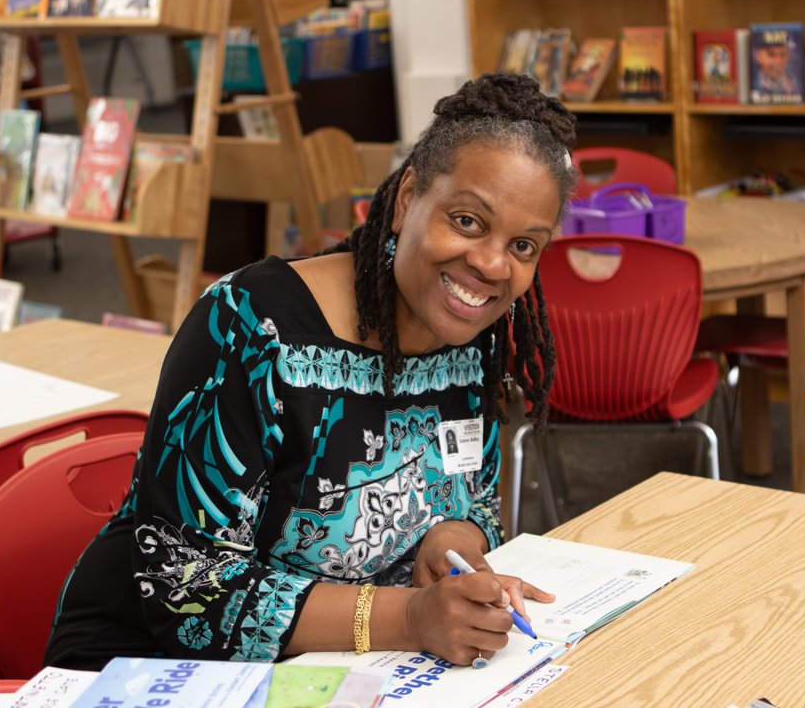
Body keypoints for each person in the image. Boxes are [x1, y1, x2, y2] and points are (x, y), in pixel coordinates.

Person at [44, 73, 578, 670]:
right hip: (149, 667)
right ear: (407, 200)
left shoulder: (472, 335)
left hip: (342, 666)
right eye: (467, 221)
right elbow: (189, 591)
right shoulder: (252, 328)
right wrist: (407, 617)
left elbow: (472, 495)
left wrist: (452, 540)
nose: (490, 264)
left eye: (524, 246)